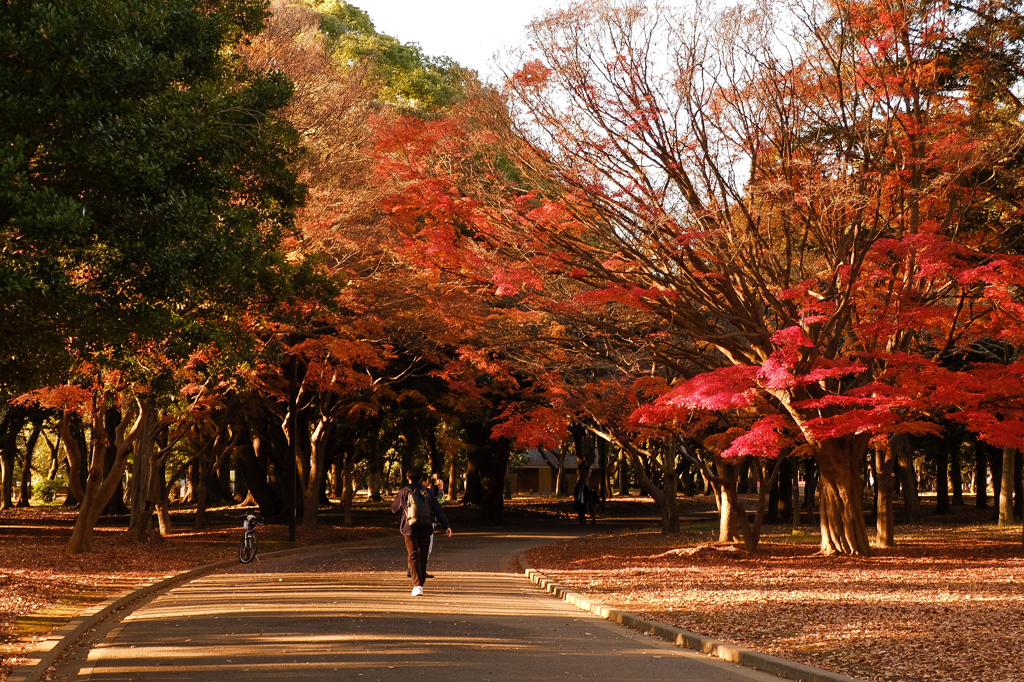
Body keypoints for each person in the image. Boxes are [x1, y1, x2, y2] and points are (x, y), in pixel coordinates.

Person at [392, 467, 452, 596]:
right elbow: (438, 510)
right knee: (423, 555)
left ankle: (417, 585)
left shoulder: (403, 492)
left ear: (408, 478)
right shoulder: (428, 492)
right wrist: (446, 526)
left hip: (409, 529)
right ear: (421, 478)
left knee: (413, 555)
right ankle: (421, 583)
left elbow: (394, 509)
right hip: (426, 527)